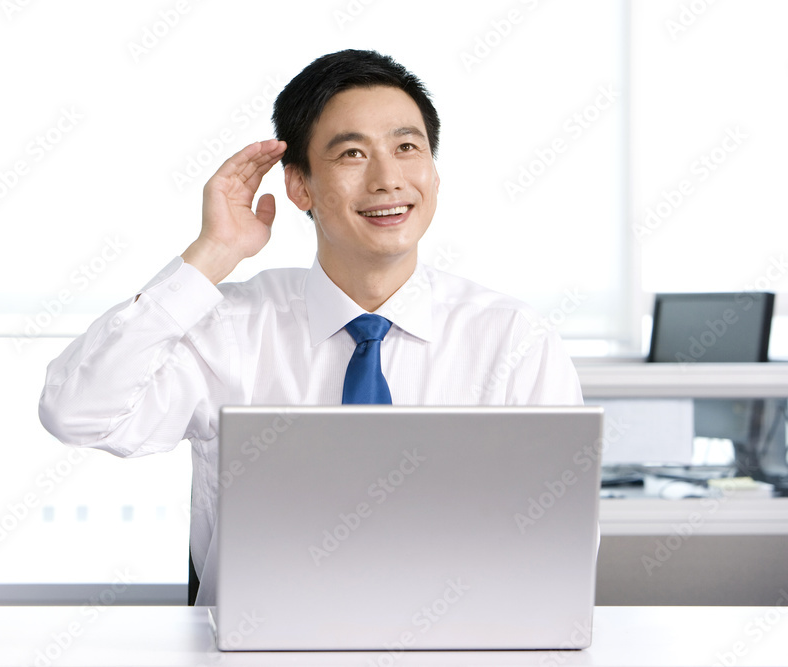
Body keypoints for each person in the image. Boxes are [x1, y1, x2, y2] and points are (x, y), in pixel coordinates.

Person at [38, 49, 583, 605]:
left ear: (434, 174)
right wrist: (211, 255)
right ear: (299, 186)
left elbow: (556, 543)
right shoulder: (231, 328)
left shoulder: (513, 340)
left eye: (407, 148)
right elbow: (78, 414)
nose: (388, 178)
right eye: (352, 153)